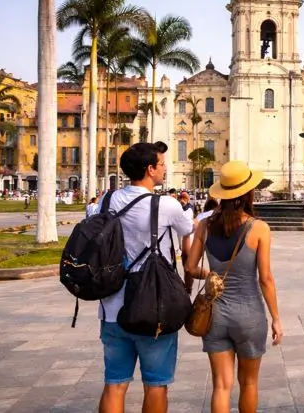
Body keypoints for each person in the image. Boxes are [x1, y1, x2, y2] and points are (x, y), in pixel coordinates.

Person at [97, 141, 195, 413]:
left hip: (112, 308)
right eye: (162, 164)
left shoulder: (106, 201)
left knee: (114, 383)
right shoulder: (166, 205)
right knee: (156, 384)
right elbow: (188, 228)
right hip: (154, 308)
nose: (165, 169)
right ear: (150, 169)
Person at [186, 161, 282, 413]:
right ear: (249, 192)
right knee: (249, 383)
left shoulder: (205, 226)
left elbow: (190, 268)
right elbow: (266, 278)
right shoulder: (258, 228)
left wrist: (212, 274)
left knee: (221, 385)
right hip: (249, 314)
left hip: (215, 316)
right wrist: (276, 318)